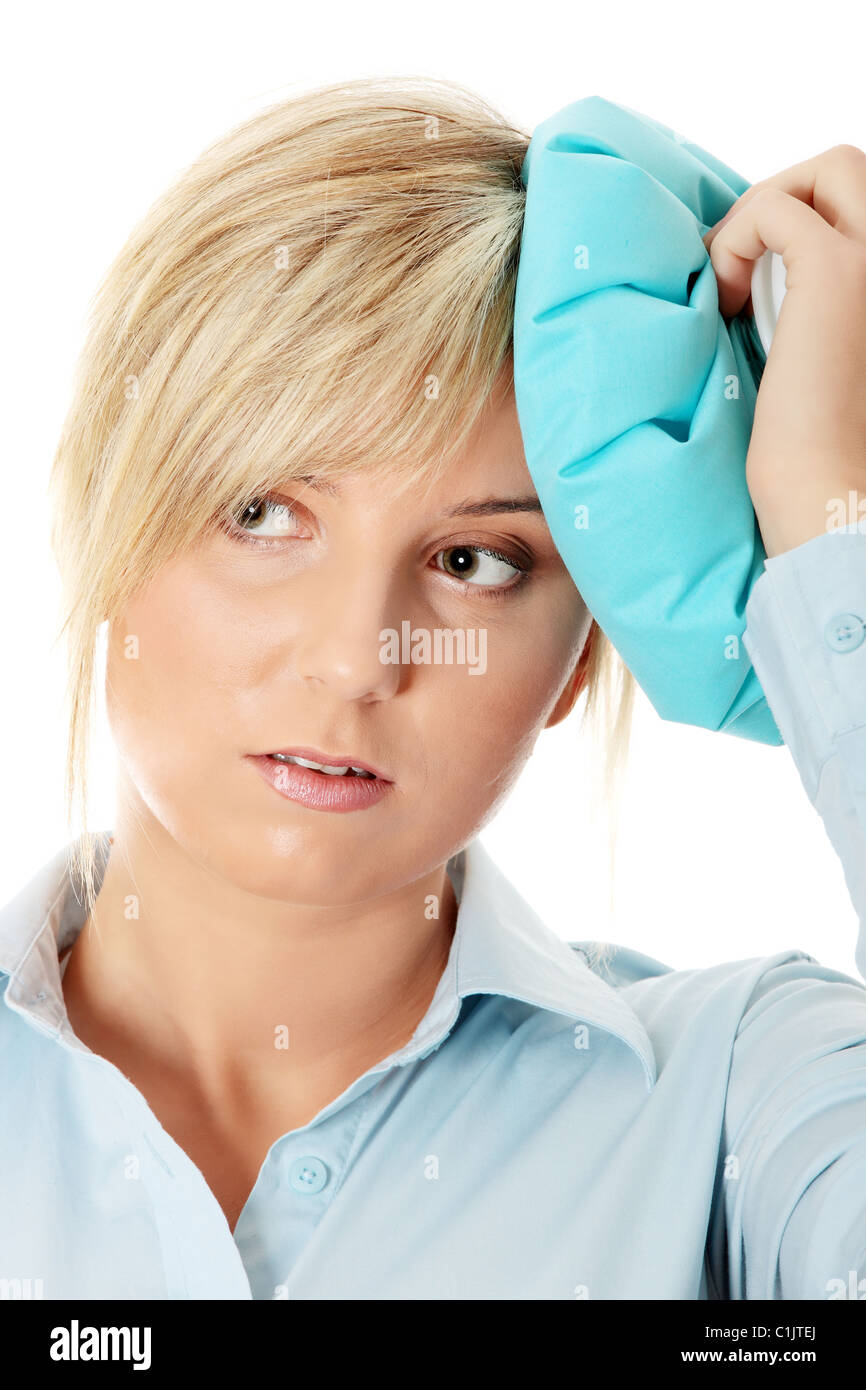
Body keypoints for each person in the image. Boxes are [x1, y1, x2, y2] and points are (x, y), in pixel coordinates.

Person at [1, 75, 865, 1301]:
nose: (356, 661)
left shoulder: (745, 1100)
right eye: (263, 512)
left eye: (473, 562)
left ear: (580, 657)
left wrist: (836, 519)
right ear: (101, 525)